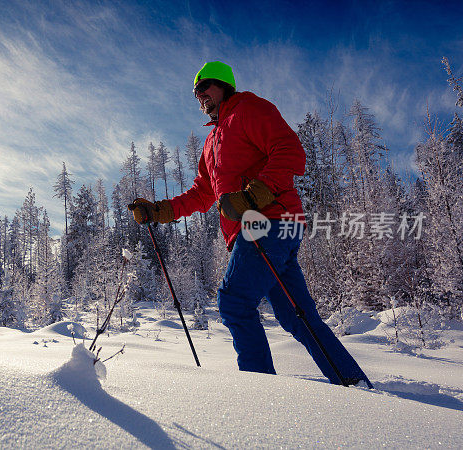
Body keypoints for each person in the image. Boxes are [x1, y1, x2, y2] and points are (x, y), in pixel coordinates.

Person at [129, 61, 370, 386]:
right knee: (296, 315)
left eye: (205, 88)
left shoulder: (248, 109)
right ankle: (352, 382)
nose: (200, 97)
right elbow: (202, 193)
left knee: (233, 300)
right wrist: (158, 210)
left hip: (266, 223)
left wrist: (256, 194)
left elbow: (290, 150)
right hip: (267, 231)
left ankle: (259, 395)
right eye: (196, 93)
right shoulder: (212, 142)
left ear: (224, 85)